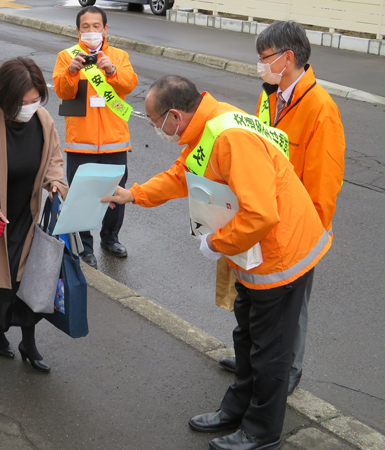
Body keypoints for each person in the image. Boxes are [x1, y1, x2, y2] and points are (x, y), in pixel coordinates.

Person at [102, 75, 332, 450]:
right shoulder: (209, 125)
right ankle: (236, 408)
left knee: (270, 351)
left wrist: (216, 242)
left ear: (174, 115)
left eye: (155, 121)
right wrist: (135, 194)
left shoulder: (230, 138)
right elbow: (183, 175)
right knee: (247, 337)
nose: (156, 129)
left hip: (280, 255)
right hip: (255, 254)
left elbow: (261, 215)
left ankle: (261, 432)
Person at [218, 21, 345, 396]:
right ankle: (254, 360)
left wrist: (307, 240)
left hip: (297, 231)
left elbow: (324, 186)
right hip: (267, 219)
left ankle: (288, 371)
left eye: (264, 58)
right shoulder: (270, 95)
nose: (260, 65)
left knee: (292, 309)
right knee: (257, 302)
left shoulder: (321, 109)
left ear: (287, 58)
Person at [0, 57, 68, 373]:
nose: (31, 107)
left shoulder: (43, 121)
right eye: (24, 102)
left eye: (36, 100)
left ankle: (29, 343)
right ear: (4, 98)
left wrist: (56, 183)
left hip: (27, 216)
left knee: (29, 282)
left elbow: (53, 160)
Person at [52, 5, 138, 269]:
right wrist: (72, 72)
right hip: (81, 143)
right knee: (82, 197)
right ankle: (85, 247)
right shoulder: (67, 57)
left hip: (115, 142)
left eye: (96, 26)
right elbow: (62, 91)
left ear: (105, 28)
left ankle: (110, 238)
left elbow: (129, 84)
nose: (91, 31)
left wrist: (111, 70)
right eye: (86, 27)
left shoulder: (119, 56)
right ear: (78, 30)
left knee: (116, 194)